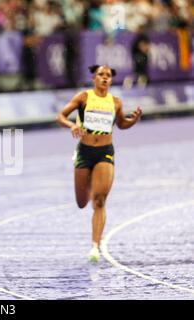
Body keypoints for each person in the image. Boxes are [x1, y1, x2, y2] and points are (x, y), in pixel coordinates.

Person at [56, 65, 142, 263]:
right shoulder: (83, 98)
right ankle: (88, 186)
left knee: (100, 200)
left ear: (111, 80)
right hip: (84, 153)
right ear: (94, 78)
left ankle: (95, 246)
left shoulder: (116, 102)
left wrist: (133, 120)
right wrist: (72, 125)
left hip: (105, 152)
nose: (104, 78)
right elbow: (60, 116)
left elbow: (121, 124)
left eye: (108, 76)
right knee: (81, 202)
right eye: (101, 75)